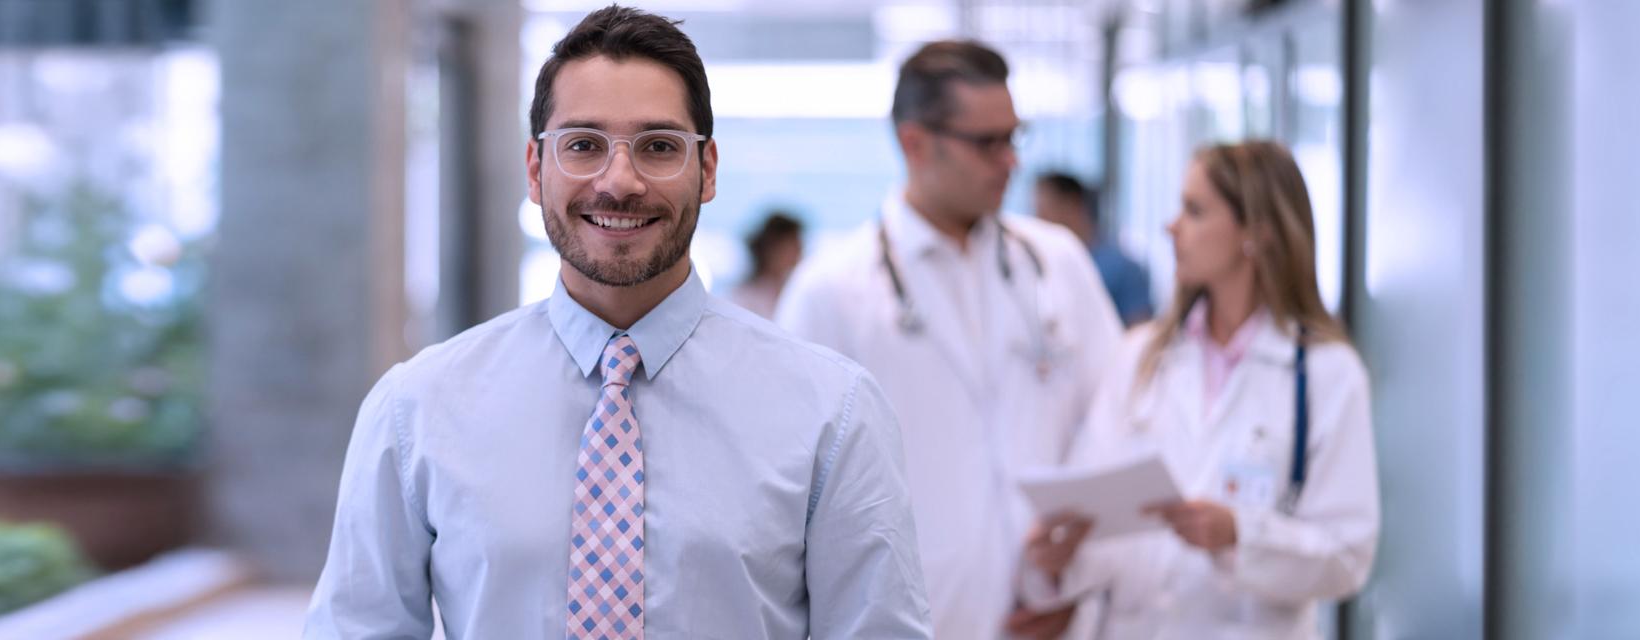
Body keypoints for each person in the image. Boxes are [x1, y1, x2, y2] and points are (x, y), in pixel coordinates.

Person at [305, 7, 930, 638]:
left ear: (707, 169)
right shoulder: (418, 409)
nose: (619, 181)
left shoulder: (831, 412)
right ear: (534, 168)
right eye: (583, 145)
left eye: (659, 146)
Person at [775, 39, 1124, 640]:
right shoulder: (831, 291)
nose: (1012, 162)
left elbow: (1118, 425)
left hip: (1056, 616)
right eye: (988, 142)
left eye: (1015, 137)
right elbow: (790, 492)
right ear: (916, 143)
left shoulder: (1057, 263)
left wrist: (1080, 577)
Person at [1016, 141, 1378, 639]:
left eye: (1195, 210)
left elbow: (1347, 556)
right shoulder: (1142, 355)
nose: (1171, 226)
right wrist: (1061, 558)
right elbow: (1096, 505)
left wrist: (1239, 535)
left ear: (1256, 232)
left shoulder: (1325, 375)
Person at [1034, 172, 1154, 327]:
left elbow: (1141, 333)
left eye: (1043, 211)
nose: (1036, 221)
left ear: (1072, 204)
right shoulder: (1043, 266)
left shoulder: (1123, 268)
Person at [730, 211, 805, 319]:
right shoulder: (744, 298)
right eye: (794, 248)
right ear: (772, 250)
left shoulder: (794, 291)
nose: (799, 255)